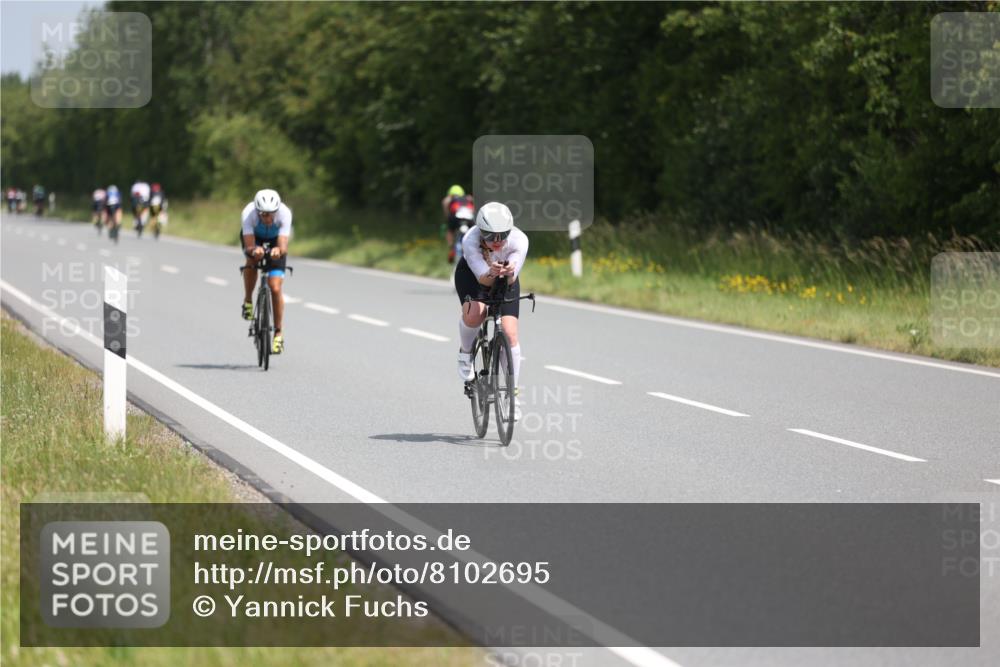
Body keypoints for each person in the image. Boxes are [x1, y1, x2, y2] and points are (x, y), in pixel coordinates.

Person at [454, 201, 529, 420]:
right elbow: (483, 280)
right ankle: (465, 353)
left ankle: (512, 395)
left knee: (510, 333)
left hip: (505, 278)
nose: (497, 241)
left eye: (502, 235)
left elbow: (511, 279)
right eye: (489, 236)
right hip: (474, 277)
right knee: (476, 313)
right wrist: (491, 272)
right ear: (480, 231)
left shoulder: (519, 240)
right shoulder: (470, 239)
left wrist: (508, 271)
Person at [240, 189, 292, 354]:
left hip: (275, 240)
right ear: (257, 211)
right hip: (255, 239)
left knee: (275, 287)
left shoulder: (284, 213)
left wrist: (278, 251)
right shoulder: (248, 213)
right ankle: (248, 300)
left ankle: (278, 333)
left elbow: (283, 244)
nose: (267, 218)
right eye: (263, 214)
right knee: (251, 261)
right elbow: (249, 245)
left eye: (271, 214)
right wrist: (254, 250)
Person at [441, 185, 475, 263]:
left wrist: (447, 217)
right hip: (470, 218)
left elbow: (445, 203)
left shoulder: (450, 199)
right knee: (474, 232)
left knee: (450, 230)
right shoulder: (468, 198)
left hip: (456, 218)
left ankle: (451, 249)